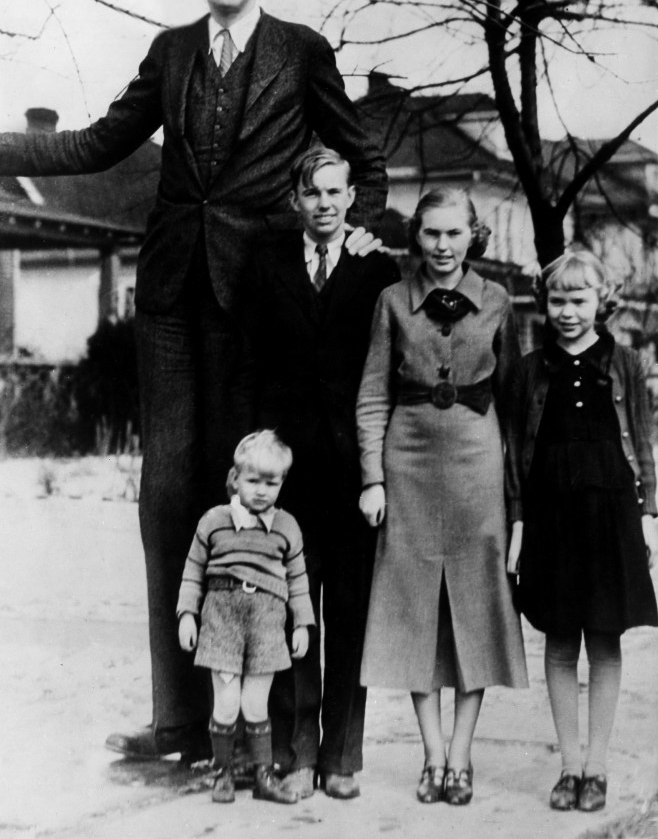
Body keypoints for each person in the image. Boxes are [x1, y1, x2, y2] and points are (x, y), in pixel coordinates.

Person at [0, 0, 387, 762]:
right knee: (168, 497)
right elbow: (98, 141)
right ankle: (181, 722)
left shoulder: (302, 51)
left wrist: (352, 231)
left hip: (256, 298)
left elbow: (368, 161)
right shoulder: (173, 51)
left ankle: (255, 725)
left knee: (245, 490)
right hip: (170, 291)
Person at [357, 187, 528, 806]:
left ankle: (462, 756)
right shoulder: (392, 302)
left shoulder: (499, 302)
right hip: (408, 466)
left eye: (454, 233)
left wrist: (517, 507)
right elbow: (374, 392)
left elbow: (514, 407)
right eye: (431, 233)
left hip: (477, 467)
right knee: (416, 611)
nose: (442, 246)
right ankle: (431, 756)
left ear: (473, 235)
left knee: (476, 609)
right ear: (417, 237)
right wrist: (373, 478)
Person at [240, 147, 400, 799]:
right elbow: (248, 365)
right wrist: (251, 456)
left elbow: (390, 370)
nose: (325, 204)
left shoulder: (376, 268)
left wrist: (379, 471)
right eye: (313, 194)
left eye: (336, 192)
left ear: (352, 196)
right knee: (292, 614)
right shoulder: (267, 265)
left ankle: (341, 756)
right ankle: (296, 750)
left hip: (355, 471)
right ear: (295, 200)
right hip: (290, 471)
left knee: (352, 613)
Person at [506, 249, 658, 813]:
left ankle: (597, 766)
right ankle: (568, 766)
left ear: (603, 301)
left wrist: (647, 519)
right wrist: (519, 525)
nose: (567, 311)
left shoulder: (626, 363)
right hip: (551, 517)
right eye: (557, 300)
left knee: (606, 638)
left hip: (611, 513)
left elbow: (642, 440)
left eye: (579, 299)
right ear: (544, 304)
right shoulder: (527, 370)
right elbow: (515, 457)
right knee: (561, 641)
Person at [176, 430, 315, 804]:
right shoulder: (214, 521)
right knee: (226, 702)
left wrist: (302, 623)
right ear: (235, 478)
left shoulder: (287, 526)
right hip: (222, 617)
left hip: (267, 622)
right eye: (252, 481)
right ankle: (222, 773)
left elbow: (298, 580)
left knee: (256, 703)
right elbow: (193, 570)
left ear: (282, 483)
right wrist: (187, 614)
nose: (261, 491)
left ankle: (263, 776)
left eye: (271, 483)